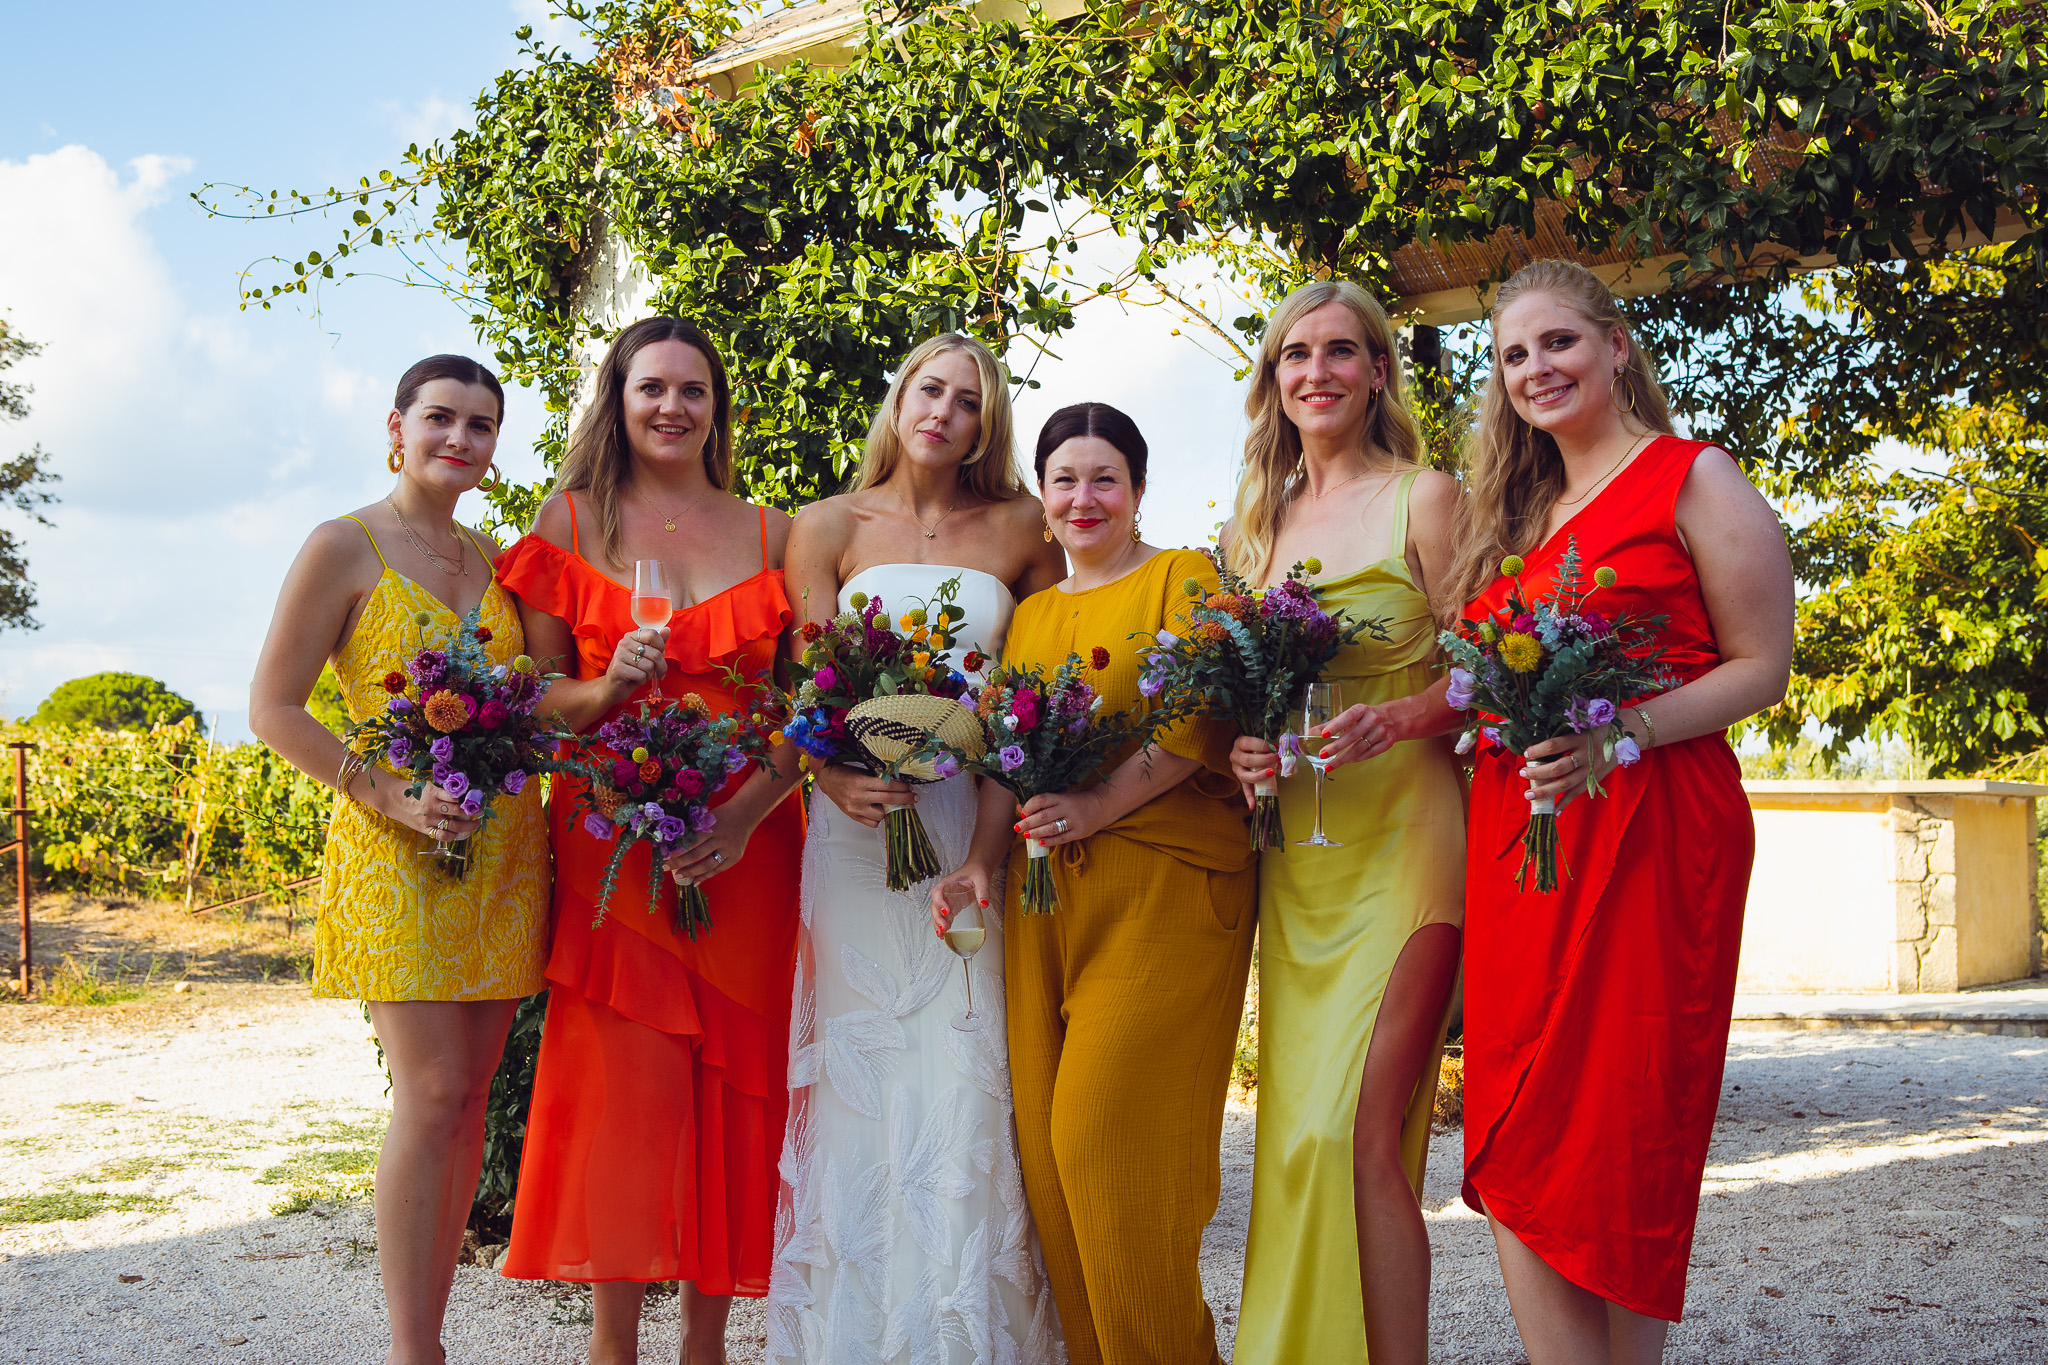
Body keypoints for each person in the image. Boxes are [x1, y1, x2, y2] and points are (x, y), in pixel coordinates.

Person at [1445, 260, 1793, 1363]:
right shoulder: (1514, 513)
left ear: (1614, 347)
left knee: (1622, 1123)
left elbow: (1762, 666)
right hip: (1524, 839)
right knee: (1519, 1123)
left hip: (1652, 826)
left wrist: (1622, 733)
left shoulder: (1690, 478)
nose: (1535, 369)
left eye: (1556, 343)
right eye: (1512, 355)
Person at [495, 316, 805, 1365]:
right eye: (651, 388)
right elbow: (537, 706)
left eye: (693, 391)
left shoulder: (773, 532)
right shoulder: (569, 520)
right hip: (609, 841)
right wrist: (607, 685)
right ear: (616, 399)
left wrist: (741, 815)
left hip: (745, 846)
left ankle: (706, 1346)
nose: (672, 407)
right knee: (623, 1088)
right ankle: (611, 1347)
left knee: (732, 1077)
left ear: (719, 409)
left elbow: (806, 707)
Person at [931, 403, 1254, 1365]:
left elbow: (1204, 708)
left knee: (1107, 1142)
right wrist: (980, 862)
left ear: (1139, 489)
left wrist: (1102, 806)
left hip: (1166, 887)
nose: (1084, 498)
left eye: (1104, 478)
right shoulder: (1033, 616)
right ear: (1042, 496)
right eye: (1064, 480)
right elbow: (1004, 760)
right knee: (1049, 1159)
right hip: (1043, 899)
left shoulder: (1182, 576)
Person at [766, 334, 1066, 1363]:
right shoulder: (824, 526)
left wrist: (985, 849)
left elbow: (1028, 708)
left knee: (965, 1065)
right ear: (897, 400)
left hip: (964, 826)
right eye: (928, 389)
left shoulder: (1024, 528)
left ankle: (966, 1330)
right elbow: (807, 689)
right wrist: (829, 772)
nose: (943, 411)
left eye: (968, 401)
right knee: (861, 1071)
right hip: (854, 829)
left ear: (989, 423)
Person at [250, 354, 549, 1365]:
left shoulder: (498, 561)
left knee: (470, 1094)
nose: (458, 440)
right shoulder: (343, 544)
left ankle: (434, 1334)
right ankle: (412, 1350)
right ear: (396, 425)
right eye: (440, 418)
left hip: (503, 856)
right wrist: (384, 792)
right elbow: (273, 708)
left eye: (479, 425)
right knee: (427, 1094)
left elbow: (539, 702)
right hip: (393, 849)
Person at [1222, 281, 1465, 1365]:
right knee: (1290, 1137)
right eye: (1293, 356)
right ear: (1273, 382)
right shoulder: (1256, 528)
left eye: (1338, 352)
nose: (1314, 371)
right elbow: (1251, 693)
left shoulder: (1429, 498)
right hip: (1299, 857)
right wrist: (1243, 751)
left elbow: (1495, 667)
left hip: (1404, 839)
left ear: (1376, 371)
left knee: (1357, 1134)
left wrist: (1404, 714)